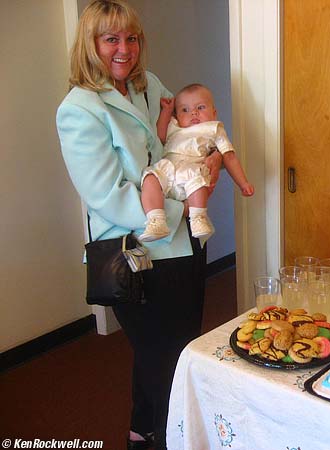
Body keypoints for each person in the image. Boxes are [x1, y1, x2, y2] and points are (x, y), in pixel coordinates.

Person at [55, 1, 223, 449]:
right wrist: (179, 212)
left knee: (175, 347)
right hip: (137, 251)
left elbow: (185, 135)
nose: (124, 49)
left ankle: (141, 432)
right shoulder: (80, 109)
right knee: (168, 360)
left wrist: (209, 160)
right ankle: (174, 440)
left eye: (131, 38)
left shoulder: (150, 87)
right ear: (90, 45)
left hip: (186, 244)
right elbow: (107, 194)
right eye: (111, 38)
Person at [139, 83, 254, 245]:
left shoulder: (214, 129)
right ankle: (156, 220)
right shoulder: (175, 126)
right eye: (184, 110)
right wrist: (166, 112)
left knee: (198, 181)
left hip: (193, 169)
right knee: (150, 178)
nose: (193, 112)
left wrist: (243, 183)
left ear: (214, 113)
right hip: (167, 168)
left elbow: (229, 156)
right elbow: (160, 137)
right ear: (177, 115)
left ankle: (198, 217)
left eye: (200, 107)